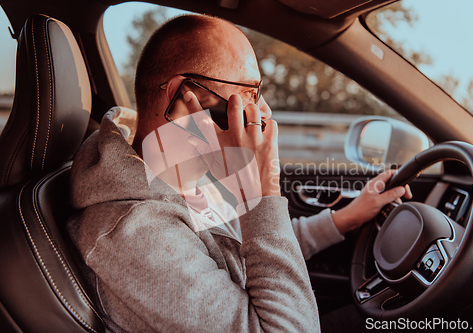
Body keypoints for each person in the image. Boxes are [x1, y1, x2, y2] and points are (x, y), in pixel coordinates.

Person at [67, 14, 411, 332]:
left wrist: (346, 218)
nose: (263, 110)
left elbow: (252, 248)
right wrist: (260, 191)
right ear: (182, 98)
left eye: (257, 92)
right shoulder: (135, 237)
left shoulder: (181, 172)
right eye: (247, 92)